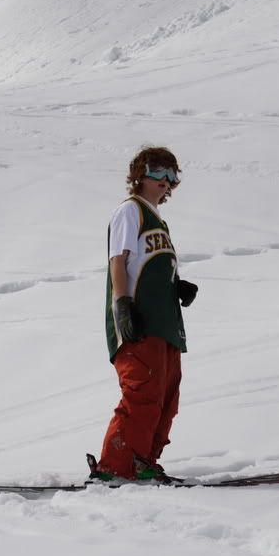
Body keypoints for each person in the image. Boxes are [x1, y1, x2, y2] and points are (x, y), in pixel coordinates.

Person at [88, 146, 198, 482]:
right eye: (158, 173)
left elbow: (148, 266)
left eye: (172, 176)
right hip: (139, 321)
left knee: (166, 397)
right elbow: (118, 261)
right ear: (140, 174)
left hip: (164, 325)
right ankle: (115, 466)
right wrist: (122, 306)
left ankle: (143, 461)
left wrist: (175, 286)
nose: (165, 182)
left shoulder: (158, 221)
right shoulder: (130, 210)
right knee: (143, 392)